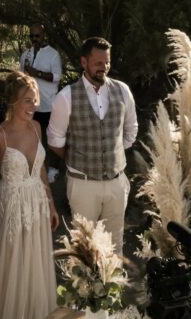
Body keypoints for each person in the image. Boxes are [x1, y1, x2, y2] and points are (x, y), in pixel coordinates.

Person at [0, 73, 59, 319]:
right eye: (28, 100)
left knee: (35, 271)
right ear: (13, 100)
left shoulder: (37, 128)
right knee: (11, 271)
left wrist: (51, 204)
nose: (33, 105)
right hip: (11, 209)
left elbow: (42, 170)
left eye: (35, 99)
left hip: (37, 208)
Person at [47, 36, 137, 253]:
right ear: (83, 62)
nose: (104, 67)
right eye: (98, 62)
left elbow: (131, 130)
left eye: (107, 62)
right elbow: (54, 140)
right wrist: (78, 158)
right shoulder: (66, 97)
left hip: (116, 182)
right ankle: (87, 288)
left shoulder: (122, 90)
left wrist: (112, 153)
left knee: (115, 246)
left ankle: (111, 287)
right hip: (82, 184)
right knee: (84, 249)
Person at [19, 23, 62, 177]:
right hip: (32, 104)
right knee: (33, 137)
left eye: (37, 36)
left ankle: (54, 169)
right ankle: (35, 168)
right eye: (31, 36)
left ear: (43, 35)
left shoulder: (53, 54)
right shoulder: (25, 54)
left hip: (49, 104)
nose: (34, 39)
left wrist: (37, 73)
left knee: (52, 138)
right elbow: (21, 77)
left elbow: (57, 77)